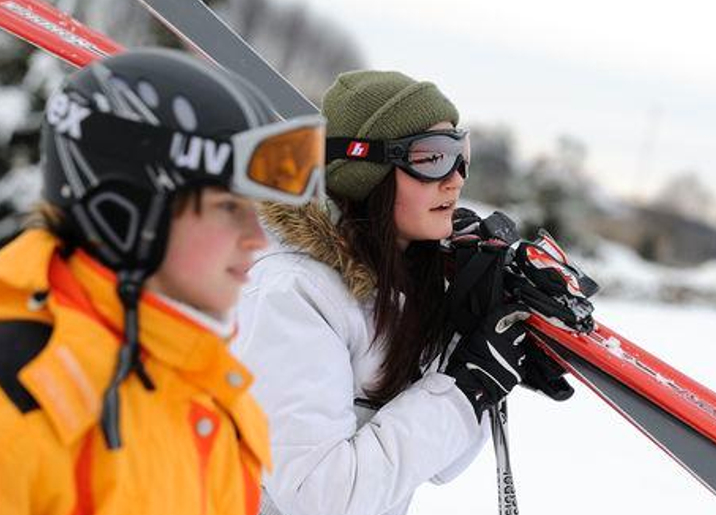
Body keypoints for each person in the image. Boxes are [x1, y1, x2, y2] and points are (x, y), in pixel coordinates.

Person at [0, 49, 325, 515]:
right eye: (228, 208)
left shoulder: (208, 402)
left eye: (253, 210)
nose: (257, 238)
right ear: (123, 213)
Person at [233, 70, 572, 515]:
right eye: (433, 158)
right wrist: (465, 388)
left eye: (461, 155)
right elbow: (321, 496)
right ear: (364, 172)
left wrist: (469, 350)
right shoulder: (292, 293)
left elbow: (439, 465)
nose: (455, 179)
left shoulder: (397, 289)